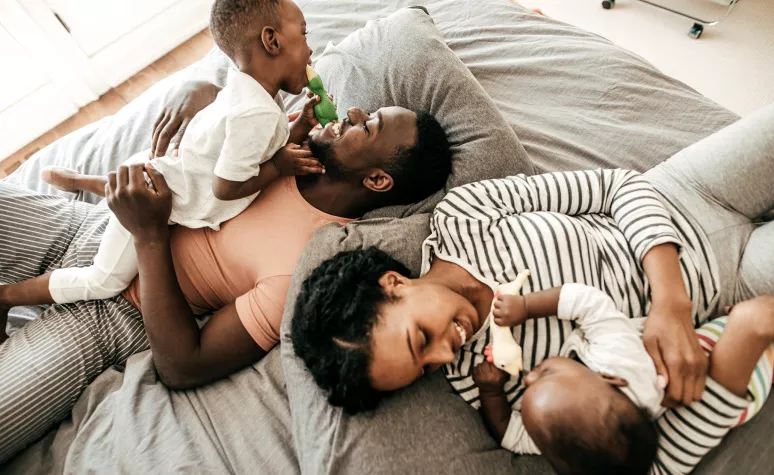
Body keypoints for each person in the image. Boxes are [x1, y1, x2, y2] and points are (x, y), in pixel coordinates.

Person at [291, 104, 774, 473]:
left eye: (422, 339)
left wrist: (671, 302)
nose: (444, 356)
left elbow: (619, 188)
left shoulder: (464, 216)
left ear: (394, 283)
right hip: (736, 284)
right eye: (424, 368)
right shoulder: (483, 377)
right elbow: (610, 433)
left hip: (684, 194)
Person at [0, 86, 452, 465]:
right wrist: (200, 94)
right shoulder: (291, 148)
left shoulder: (308, 262)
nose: (354, 111)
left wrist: (151, 236)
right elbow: (234, 101)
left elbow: (184, 365)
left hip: (113, 315)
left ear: (376, 182)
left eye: (368, 124)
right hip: (93, 226)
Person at [2, 0, 326, 308]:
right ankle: (8, 296)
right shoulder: (256, 112)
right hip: (156, 195)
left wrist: (300, 128)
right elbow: (225, 187)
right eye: (303, 33)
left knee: (145, 180)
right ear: (271, 41)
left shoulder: (249, 88)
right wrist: (278, 168)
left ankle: (84, 182)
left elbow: (265, 143)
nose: (310, 48)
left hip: (160, 172)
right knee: (103, 281)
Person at [473, 284, 773, 475]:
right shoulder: (621, 362)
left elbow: (508, 434)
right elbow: (754, 322)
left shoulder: (570, 442)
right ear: (609, 378)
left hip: (712, 346)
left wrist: (491, 392)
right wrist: (525, 307)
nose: (528, 377)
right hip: (741, 374)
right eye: (545, 374)